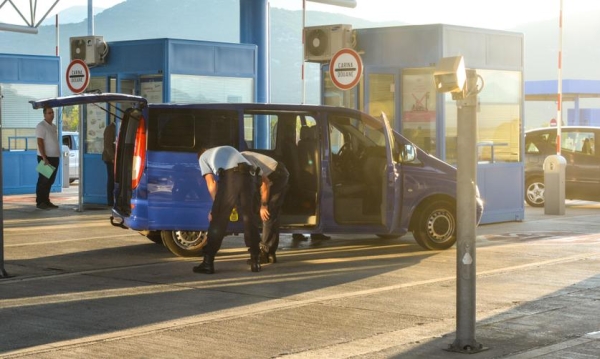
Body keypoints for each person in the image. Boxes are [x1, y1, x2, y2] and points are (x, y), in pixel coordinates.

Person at [193, 145, 262, 274]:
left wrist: (216, 207)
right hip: (251, 177)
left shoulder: (203, 157)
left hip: (232, 177)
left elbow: (211, 183)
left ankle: (208, 263)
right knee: (250, 219)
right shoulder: (227, 149)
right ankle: (255, 261)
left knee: (218, 220)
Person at [241, 151, 289, 264]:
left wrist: (264, 205)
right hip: (275, 173)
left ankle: (266, 253)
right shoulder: (239, 158)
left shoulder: (245, 161)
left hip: (277, 175)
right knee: (269, 213)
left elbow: (265, 183)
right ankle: (270, 253)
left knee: (268, 212)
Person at [35, 106, 61, 210]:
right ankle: (40, 202)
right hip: (45, 158)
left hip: (54, 157)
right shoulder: (41, 126)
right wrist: (44, 157)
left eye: (52, 112)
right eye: (49, 113)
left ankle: (46, 200)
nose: (52, 114)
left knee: (50, 181)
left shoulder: (54, 126)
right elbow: (40, 142)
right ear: (44, 114)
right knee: (43, 180)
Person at [102, 120, 116, 206]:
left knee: (114, 179)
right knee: (111, 179)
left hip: (115, 159)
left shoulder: (117, 127)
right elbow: (107, 145)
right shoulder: (110, 128)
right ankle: (110, 201)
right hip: (110, 159)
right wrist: (113, 158)